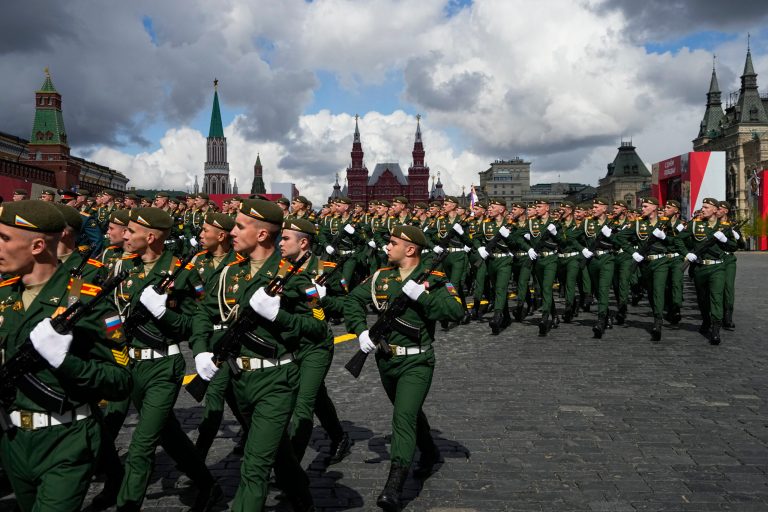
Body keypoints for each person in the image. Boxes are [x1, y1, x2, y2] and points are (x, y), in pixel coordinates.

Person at [189, 199, 322, 511]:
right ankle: (303, 498)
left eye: (239, 226)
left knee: (253, 466)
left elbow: (318, 330)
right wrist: (200, 352)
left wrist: (280, 317)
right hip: (238, 379)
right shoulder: (227, 273)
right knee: (278, 453)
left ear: (262, 235)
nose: (231, 232)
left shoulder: (294, 275)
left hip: (275, 379)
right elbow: (201, 315)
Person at [0, 200, 132, 512]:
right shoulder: (4, 295)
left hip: (65, 440)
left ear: (37, 245)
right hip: (13, 440)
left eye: (5, 238)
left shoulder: (85, 302)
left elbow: (121, 381)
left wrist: (65, 361)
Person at [344, 225, 463, 511]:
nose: (387, 247)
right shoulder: (381, 278)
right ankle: (431, 451)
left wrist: (422, 296)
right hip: (386, 361)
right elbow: (353, 301)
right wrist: (361, 332)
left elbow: (456, 312)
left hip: (417, 361)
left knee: (403, 417)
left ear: (410, 250)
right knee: (408, 411)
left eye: (393, 243)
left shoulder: (434, 279)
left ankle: (394, 485)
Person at [114, 207, 221, 511]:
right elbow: (111, 313)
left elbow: (196, 322)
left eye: (131, 231)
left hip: (163, 364)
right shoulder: (124, 268)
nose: (125, 235)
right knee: (168, 434)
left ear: (150, 237)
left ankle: (127, 504)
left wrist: (165, 313)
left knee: (141, 446)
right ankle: (208, 484)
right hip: (130, 362)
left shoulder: (181, 273)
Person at [277, 217, 351, 466]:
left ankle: (291, 468)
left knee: (302, 404)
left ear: (304, 242)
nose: (281, 243)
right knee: (316, 394)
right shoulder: (279, 268)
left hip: (315, 343)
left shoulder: (326, 269)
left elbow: (346, 306)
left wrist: (326, 299)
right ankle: (339, 436)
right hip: (287, 342)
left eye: (286, 239)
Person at [189, 212, 248, 460]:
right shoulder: (197, 262)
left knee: (214, 397)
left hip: (230, 336)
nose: (201, 235)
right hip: (205, 333)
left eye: (206, 231)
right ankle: (251, 428)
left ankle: (197, 456)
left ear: (221, 235)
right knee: (231, 394)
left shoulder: (240, 263)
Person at [683, 198, 731, 345]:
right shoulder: (695, 225)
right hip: (700, 268)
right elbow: (679, 240)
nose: (702, 209)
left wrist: (725, 240)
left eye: (706, 207)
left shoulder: (724, 227)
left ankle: (716, 329)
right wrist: (687, 253)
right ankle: (706, 320)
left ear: (715, 210)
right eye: (702, 207)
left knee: (716, 296)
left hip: (717, 267)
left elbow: (734, 246)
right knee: (702, 298)